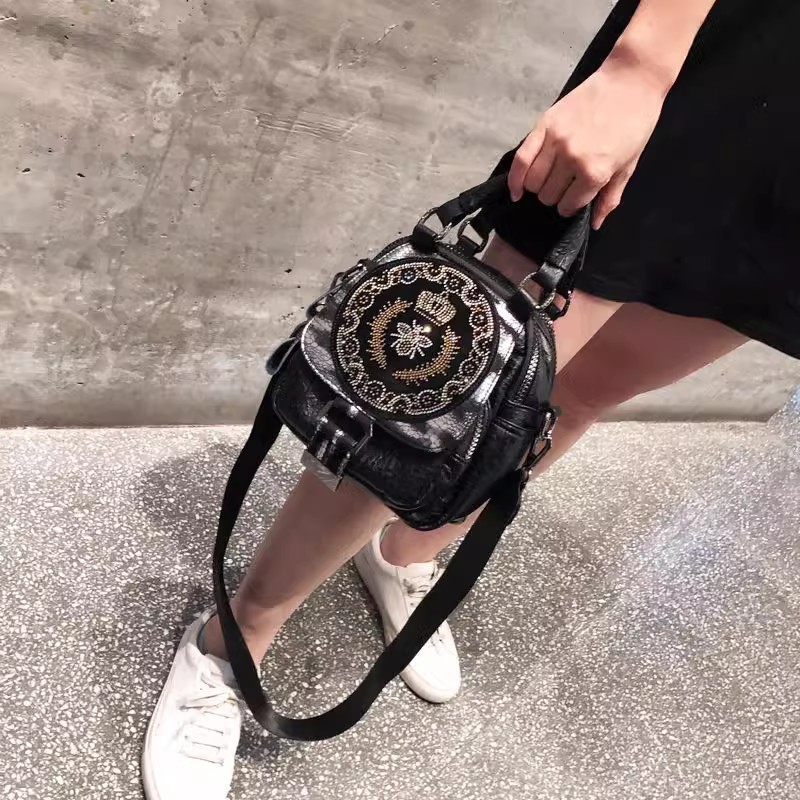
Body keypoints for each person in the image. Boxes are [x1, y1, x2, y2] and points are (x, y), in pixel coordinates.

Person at [142, 0, 800, 797]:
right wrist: (641, 65)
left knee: (578, 392)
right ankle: (232, 639)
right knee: (440, 384)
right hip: (736, 67)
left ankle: (403, 556)